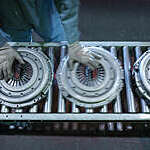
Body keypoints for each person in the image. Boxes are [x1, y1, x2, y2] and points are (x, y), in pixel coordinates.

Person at [0, 0, 100, 81]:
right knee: (15, 60)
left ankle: (61, 87)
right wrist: (3, 46)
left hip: (43, 9)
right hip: (8, 11)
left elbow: (67, 4)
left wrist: (73, 44)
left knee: (64, 48)